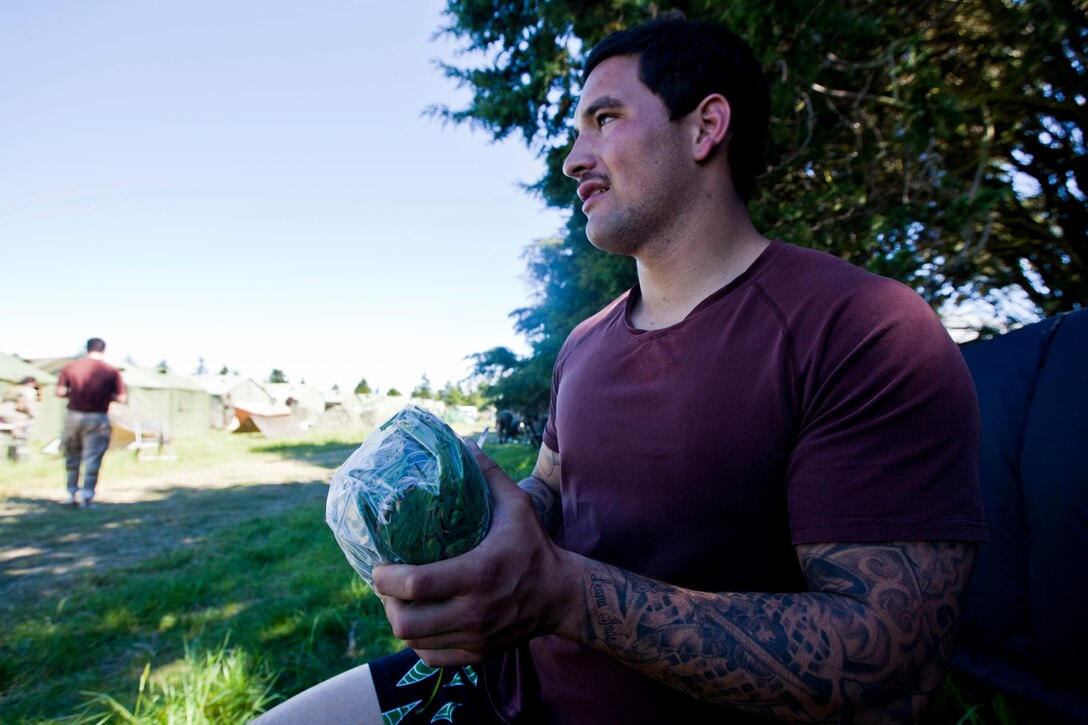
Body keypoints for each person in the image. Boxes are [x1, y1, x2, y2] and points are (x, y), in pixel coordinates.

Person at [257, 16, 986, 724]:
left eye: (604, 119)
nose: (573, 159)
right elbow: (549, 488)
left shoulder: (861, 326)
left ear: (705, 127)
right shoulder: (584, 342)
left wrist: (567, 597)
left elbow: (891, 668)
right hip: (496, 684)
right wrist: (469, 535)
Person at [56, 338, 126, 508]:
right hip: (97, 417)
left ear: (87, 348)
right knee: (93, 457)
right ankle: (87, 496)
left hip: (74, 416)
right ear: (103, 350)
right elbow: (122, 398)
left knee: (72, 453)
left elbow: (60, 392)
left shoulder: (71, 367)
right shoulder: (111, 372)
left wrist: (75, 396)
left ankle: (71, 493)